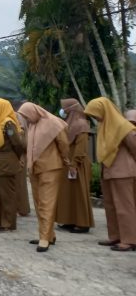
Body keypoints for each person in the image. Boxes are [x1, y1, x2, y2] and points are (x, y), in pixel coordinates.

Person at [17, 102, 71, 253]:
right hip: (35, 168)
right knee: (39, 203)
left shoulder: (54, 123)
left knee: (47, 202)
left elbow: (63, 144)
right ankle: (48, 234)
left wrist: (66, 159)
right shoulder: (33, 125)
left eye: (27, 115)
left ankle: (44, 238)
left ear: (34, 111)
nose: (26, 119)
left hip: (50, 167)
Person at [84, 98, 136, 252]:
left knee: (124, 206)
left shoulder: (123, 126)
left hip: (123, 172)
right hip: (107, 171)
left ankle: (130, 239)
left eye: (96, 114)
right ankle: (115, 236)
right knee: (110, 206)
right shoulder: (104, 126)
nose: (95, 117)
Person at [56, 98, 94, 233]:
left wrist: (74, 163)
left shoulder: (81, 125)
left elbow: (81, 148)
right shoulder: (69, 124)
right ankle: (69, 220)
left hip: (77, 164)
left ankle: (83, 223)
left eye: (65, 109)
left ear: (71, 110)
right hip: (69, 163)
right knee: (68, 193)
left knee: (79, 193)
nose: (63, 111)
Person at [0, 98, 26, 233]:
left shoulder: (8, 124)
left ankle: (8, 223)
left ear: (0, 108)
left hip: (6, 162)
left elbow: (17, 143)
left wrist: (18, 157)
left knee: (7, 194)